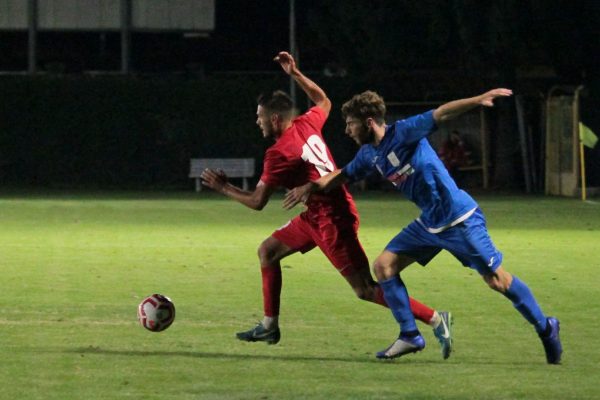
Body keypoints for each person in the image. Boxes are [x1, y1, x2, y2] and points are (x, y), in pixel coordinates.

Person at [201, 51, 454, 358]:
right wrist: (295, 72)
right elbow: (324, 101)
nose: (257, 121)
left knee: (364, 289)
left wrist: (222, 187)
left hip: (332, 220)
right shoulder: (307, 123)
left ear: (276, 118)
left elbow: (257, 202)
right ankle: (269, 324)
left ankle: (435, 318)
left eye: (260, 116)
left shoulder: (278, 153)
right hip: (317, 214)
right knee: (267, 251)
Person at [283, 89, 563, 364]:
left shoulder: (404, 132)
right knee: (384, 266)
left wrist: (477, 100)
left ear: (368, 122)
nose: (347, 130)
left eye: (350, 124)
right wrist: (308, 186)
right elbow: (341, 176)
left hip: (459, 220)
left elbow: (442, 113)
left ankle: (546, 326)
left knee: (497, 281)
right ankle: (410, 335)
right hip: (429, 222)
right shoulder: (369, 154)